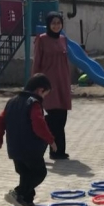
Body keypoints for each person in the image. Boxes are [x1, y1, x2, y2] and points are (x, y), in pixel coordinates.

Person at [0, 73, 56, 206]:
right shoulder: (34, 103)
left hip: (15, 148)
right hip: (31, 148)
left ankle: (26, 201)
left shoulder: (11, 101)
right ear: (40, 90)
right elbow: (39, 124)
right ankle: (18, 193)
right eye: (46, 94)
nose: (44, 97)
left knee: (26, 174)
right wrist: (51, 140)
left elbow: (0, 120)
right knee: (39, 173)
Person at [32, 12, 72, 160]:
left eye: (58, 23)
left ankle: (60, 150)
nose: (56, 26)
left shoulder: (63, 39)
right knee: (53, 119)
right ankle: (52, 150)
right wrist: (35, 85)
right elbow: (36, 63)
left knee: (62, 118)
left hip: (62, 83)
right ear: (48, 24)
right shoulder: (41, 39)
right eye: (53, 23)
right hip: (48, 85)